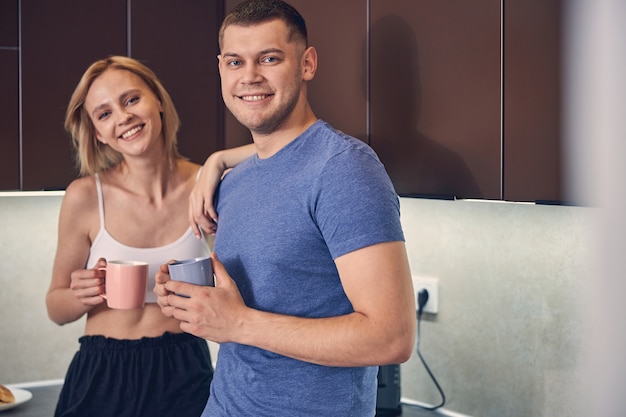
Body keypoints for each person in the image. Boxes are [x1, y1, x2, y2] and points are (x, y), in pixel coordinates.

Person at [156, 1, 417, 416]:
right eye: (235, 62)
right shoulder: (233, 181)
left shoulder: (344, 170)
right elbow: (253, 301)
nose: (250, 77)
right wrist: (193, 302)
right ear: (221, 68)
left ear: (307, 63)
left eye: (270, 58)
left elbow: (391, 337)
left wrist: (237, 323)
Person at [46, 56, 215, 417]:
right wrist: (84, 294)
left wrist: (220, 161)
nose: (122, 117)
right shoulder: (84, 196)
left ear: (157, 100)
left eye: (131, 100)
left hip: (185, 368)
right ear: (96, 132)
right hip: (102, 370)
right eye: (104, 114)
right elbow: (56, 307)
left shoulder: (208, 185)